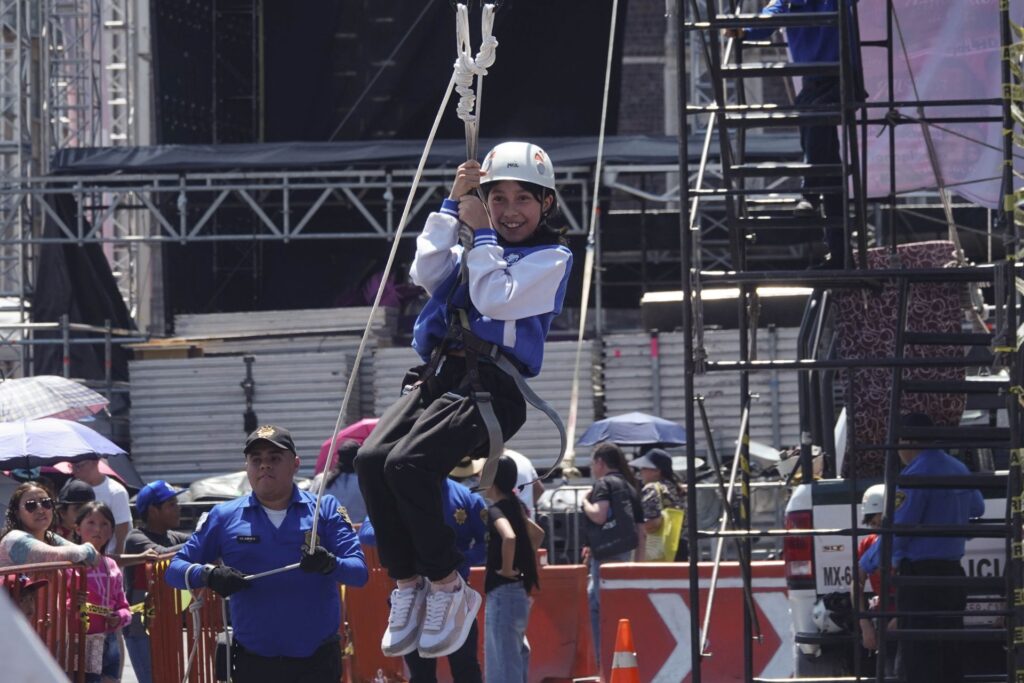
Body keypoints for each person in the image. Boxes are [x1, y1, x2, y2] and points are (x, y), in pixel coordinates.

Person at [354, 141, 572, 659]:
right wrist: (452, 209)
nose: (510, 210)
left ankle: (447, 584)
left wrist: (484, 234)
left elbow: (498, 296)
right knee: (370, 460)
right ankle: (407, 583)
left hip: (491, 385)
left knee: (409, 466)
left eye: (524, 199)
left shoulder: (549, 258)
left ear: (546, 205)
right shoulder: (477, 244)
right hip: (441, 375)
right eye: (498, 199)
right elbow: (425, 273)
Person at [165, 425, 368, 683]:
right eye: (256, 459)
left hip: (317, 661)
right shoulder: (223, 516)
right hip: (254, 663)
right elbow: (174, 569)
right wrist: (208, 574)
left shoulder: (324, 510)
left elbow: (359, 573)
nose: (264, 466)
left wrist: (329, 564)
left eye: (274, 458)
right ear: (247, 466)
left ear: (295, 464)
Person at [725, 0, 863, 269]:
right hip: (813, 82)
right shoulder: (787, 1)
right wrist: (743, 29)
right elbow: (768, 20)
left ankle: (809, 195)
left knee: (816, 133)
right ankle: (840, 253)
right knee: (828, 165)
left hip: (841, 77)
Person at [858, 413, 985, 683]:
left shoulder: (915, 475)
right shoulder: (957, 467)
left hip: (920, 580)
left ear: (907, 440)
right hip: (952, 576)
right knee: (949, 656)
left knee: (918, 659)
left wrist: (866, 561)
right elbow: (977, 507)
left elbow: (898, 532)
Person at [360, 473, 488, 682]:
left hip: (454, 597)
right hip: (413, 598)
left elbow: (488, 544)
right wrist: (410, 533)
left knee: (466, 668)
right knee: (420, 674)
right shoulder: (396, 492)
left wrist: (456, 560)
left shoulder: (466, 496)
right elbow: (366, 532)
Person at [581, 442, 646, 665]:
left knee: (601, 609)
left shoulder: (603, 484)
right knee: (617, 610)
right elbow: (641, 532)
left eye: (593, 463)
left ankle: (606, 665)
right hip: (625, 555)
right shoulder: (630, 487)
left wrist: (583, 502)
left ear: (600, 463)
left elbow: (598, 516)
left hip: (605, 557)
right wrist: (638, 565)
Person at [123, 480, 190, 683]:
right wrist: (200, 542)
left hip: (168, 622)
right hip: (140, 627)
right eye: (171, 505)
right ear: (153, 510)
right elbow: (160, 555)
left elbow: (195, 541)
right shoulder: (136, 537)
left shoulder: (173, 537)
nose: (178, 509)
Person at [484, 456, 539, 683]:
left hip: (503, 593)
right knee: (514, 658)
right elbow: (538, 534)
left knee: (502, 666)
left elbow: (509, 537)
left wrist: (507, 568)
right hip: (518, 594)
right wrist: (521, 560)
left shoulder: (495, 511)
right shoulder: (516, 506)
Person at [71, 501, 133, 683]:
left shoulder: (111, 565)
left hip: (109, 641)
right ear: (77, 529)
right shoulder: (68, 565)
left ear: (111, 532)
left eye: (105, 524)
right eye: (91, 523)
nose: (98, 528)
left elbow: (124, 607)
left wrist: (119, 617)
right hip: (79, 642)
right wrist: (72, 604)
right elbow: (59, 605)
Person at [0, 481, 98, 567]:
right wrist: (88, 549)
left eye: (46, 503)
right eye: (31, 505)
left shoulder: (49, 536)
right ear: (17, 513)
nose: (41, 510)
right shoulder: (13, 539)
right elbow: (52, 556)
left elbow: (76, 550)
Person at [631, 448, 688, 561]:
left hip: (659, 549)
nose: (640, 471)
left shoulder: (652, 488)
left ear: (657, 470)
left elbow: (653, 522)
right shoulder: (676, 489)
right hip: (680, 546)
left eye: (644, 468)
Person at [70, 458, 131, 554]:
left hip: (108, 557)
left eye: (79, 466)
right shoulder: (72, 489)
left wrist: (118, 565)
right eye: (72, 467)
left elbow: (122, 536)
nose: (75, 471)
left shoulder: (116, 492)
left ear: (95, 462)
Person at [312, 439, 367, 524]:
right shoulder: (365, 482)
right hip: (358, 534)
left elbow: (310, 508)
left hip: (327, 534)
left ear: (338, 458)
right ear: (358, 459)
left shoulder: (321, 479)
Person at [503, 449, 545, 519]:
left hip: (506, 522)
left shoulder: (494, 461)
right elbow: (539, 489)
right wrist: (526, 508)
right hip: (528, 521)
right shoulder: (522, 459)